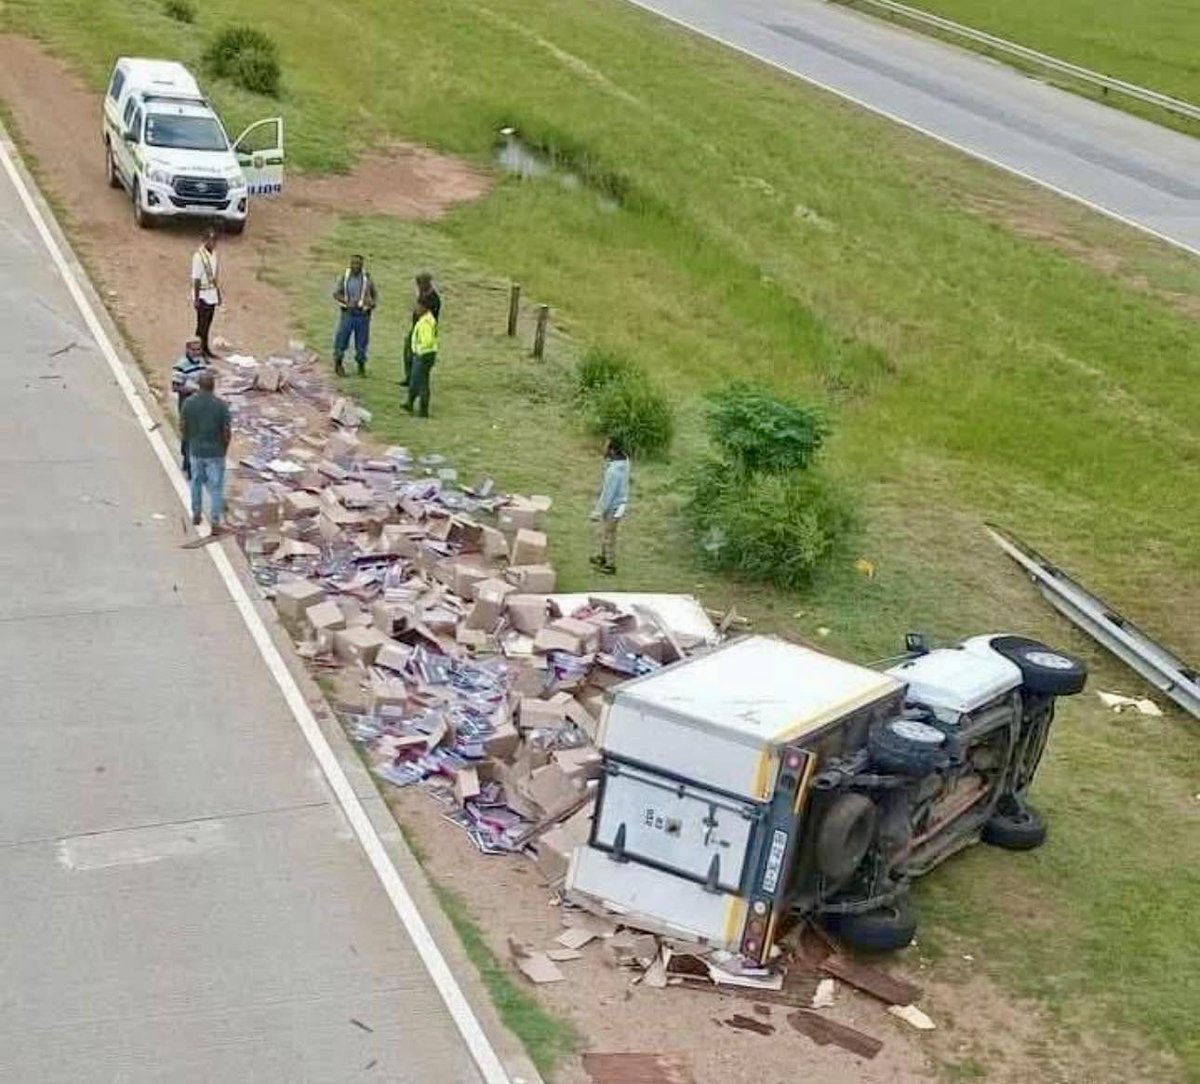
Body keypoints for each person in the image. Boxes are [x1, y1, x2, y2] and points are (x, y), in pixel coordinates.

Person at [181, 370, 231, 531]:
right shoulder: (221, 406)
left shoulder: (189, 403)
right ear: (213, 386)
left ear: (198, 385)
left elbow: (183, 426)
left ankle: (196, 513)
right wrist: (224, 448)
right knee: (216, 487)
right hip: (216, 452)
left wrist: (189, 440)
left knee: (196, 482)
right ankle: (215, 520)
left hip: (196, 449)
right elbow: (226, 432)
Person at [589, 437, 630, 576]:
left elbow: (608, 495)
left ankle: (610, 565)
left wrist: (597, 512)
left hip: (614, 507)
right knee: (606, 532)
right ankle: (603, 556)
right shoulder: (625, 462)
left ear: (612, 450)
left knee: (609, 535)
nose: (604, 448)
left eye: (606, 446)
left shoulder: (613, 472)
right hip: (620, 504)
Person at [332, 254, 377, 377]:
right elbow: (336, 294)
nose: (355, 266)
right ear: (350, 264)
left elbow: (374, 297)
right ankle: (338, 365)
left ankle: (361, 367)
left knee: (361, 343)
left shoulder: (367, 279)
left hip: (363, 316)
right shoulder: (346, 278)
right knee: (341, 339)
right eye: (353, 263)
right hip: (348, 314)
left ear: (362, 265)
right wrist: (347, 302)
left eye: (358, 264)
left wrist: (371, 304)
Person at [170, 338, 207, 477]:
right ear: (187, 350)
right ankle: (191, 465)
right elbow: (175, 387)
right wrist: (191, 389)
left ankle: (189, 461)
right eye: (194, 349)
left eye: (199, 349)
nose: (197, 352)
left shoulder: (202, 363)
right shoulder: (180, 366)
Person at [402, 272, 441, 387]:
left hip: (425, 331)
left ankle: (416, 380)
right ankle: (409, 378)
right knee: (408, 351)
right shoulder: (423, 294)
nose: (418, 286)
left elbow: (422, 312)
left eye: (420, 283)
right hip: (417, 327)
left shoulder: (433, 298)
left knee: (418, 356)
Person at [405, 296, 438, 417]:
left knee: (422, 382)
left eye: (418, 306)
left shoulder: (426, 322)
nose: (416, 308)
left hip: (423, 355)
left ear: (424, 307)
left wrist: (418, 350)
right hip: (424, 354)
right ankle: (409, 403)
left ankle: (423, 410)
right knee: (415, 380)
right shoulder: (426, 319)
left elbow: (427, 340)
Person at [191, 228, 222, 359]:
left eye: (214, 240)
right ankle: (198, 351)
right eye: (210, 240)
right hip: (202, 294)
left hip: (211, 292)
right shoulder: (198, 256)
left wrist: (218, 294)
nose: (212, 243)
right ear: (204, 240)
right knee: (201, 325)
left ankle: (205, 348)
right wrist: (196, 298)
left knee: (208, 323)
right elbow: (196, 278)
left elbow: (215, 277)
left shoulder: (213, 254)